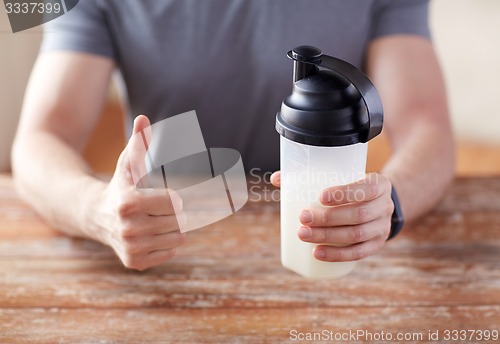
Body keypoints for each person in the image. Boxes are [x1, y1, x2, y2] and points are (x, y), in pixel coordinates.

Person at [12, 0, 454, 271]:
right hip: (167, 244)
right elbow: (42, 137)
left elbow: (427, 126)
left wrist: (389, 204)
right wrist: (97, 211)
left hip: (317, 238)